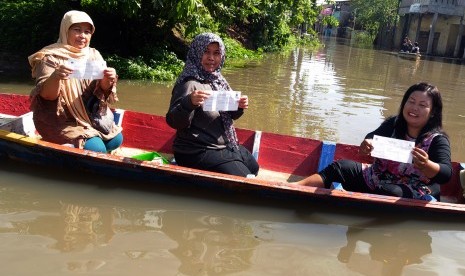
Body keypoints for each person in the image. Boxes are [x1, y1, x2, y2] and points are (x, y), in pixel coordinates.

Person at [295, 82, 452, 201]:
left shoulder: (437, 140)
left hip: (413, 187)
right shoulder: (394, 123)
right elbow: (372, 136)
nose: (414, 107)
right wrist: (367, 144)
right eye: (411, 101)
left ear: (433, 113)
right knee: (341, 167)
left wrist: (426, 165)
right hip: (377, 177)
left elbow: (446, 174)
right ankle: (293, 189)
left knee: (389, 192)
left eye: (422, 105)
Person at [166, 32, 259, 177]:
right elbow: (173, 121)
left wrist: (239, 106)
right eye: (206, 52)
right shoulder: (189, 83)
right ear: (197, 53)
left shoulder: (218, 80)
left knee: (253, 168)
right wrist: (189, 103)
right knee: (245, 178)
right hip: (195, 150)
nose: (211, 58)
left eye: (216, 53)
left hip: (221, 144)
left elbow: (229, 116)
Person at [28, 10, 122, 153]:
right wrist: (56, 76)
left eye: (87, 32)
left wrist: (108, 80)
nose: (82, 36)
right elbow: (47, 96)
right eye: (77, 30)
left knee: (116, 139)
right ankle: (68, 146)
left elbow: (102, 91)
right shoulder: (49, 57)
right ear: (66, 30)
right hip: (59, 120)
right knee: (97, 149)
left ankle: (81, 144)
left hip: (89, 116)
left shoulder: (93, 54)